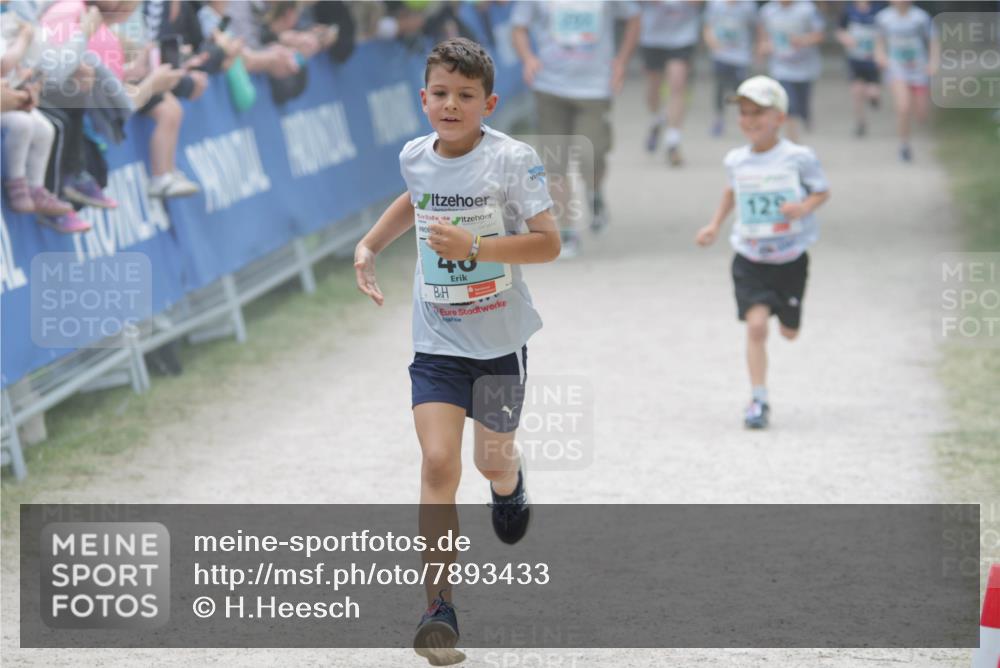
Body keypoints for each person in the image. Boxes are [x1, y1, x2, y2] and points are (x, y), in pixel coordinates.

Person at [352, 38, 559, 665]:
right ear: (423, 99)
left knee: (490, 461)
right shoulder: (416, 156)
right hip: (436, 341)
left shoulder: (513, 161)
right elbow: (414, 200)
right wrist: (369, 246)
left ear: (488, 103)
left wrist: (477, 248)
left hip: (499, 344)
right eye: (440, 94)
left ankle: (510, 481)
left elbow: (547, 243)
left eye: (465, 96)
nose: (451, 104)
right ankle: (437, 607)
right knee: (439, 465)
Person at [695, 76, 830, 429]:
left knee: (788, 331)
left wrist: (803, 207)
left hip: (790, 259)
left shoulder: (799, 157)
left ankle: (789, 315)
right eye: (744, 112)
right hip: (750, 256)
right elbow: (731, 192)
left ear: (780, 118)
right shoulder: (736, 160)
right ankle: (758, 399)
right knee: (756, 327)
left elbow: (822, 191)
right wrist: (714, 225)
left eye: (759, 112)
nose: (750, 119)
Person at [511, 0, 640, 255]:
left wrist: (622, 61)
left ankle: (595, 194)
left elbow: (634, 18)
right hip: (549, 87)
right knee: (554, 162)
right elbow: (518, 27)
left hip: (594, 88)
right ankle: (567, 231)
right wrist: (527, 58)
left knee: (592, 157)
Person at [640, 0, 702, 166]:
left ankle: (673, 142)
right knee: (654, 88)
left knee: (677, 86)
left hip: (682, 37)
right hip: (653, 37)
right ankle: (656, 119)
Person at [874, 0, 937, 162]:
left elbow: (933, 41)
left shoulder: (921, 17)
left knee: (921, 114)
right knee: (903, 108)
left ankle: (917, 123)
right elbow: (879, 42)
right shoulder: (883, 18)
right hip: (897, 69)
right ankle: (904, 145)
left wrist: (933, 62)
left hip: (918, 69)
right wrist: (880, 56)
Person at [757, 0, 824, 143]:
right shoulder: (768, 11)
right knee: (788, 106)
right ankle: (794, 144)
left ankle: (806, 117)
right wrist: (763, 47)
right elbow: (763, 35)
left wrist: (803, 40)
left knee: (802, 106)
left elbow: (819, 35)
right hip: (780, 68)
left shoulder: (807, 9)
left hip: (805, 68)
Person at [703, 0, 758, 138]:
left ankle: (747, 118)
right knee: (720, 87)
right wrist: (712, 42)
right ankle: (719, 119)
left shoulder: (749, 6)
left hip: (741, 56)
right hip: (720, 55)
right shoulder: (715, 4)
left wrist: (756, 48)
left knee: (740, 89)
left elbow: (756, 27)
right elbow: (708, 25)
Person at [836, 1, 883, 138]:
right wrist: (845, 38)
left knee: (872, 92)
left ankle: (874, 98)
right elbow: (839, 30)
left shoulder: (878, 10)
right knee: (856, 92)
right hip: (855, 59)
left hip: (873, 60)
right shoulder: (848, 11)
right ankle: (860, 123)